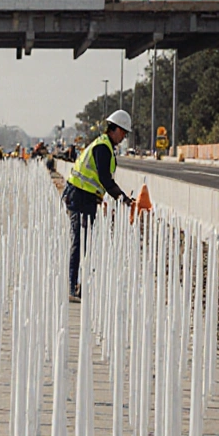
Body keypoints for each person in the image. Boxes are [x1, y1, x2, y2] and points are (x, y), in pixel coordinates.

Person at [64, 109, 133, 302]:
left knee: (84, 242)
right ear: (115, 129)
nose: (124, 137)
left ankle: (77, 285)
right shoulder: (102, 147)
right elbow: (104, 178)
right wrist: (122, 198)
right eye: (124, 132)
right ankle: (72, 286)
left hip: (86, 198)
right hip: (78, 197)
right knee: (79, 241)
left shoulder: (106, 146)